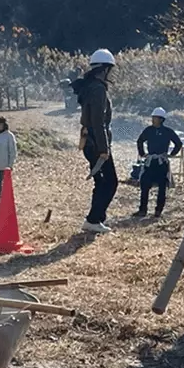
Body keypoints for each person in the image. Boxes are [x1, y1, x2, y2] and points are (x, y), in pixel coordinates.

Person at [71, 49, 117, 233]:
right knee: (111, 182)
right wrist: (104, 149)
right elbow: (98, 122)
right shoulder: (98, 89)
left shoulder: (90, 87)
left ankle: (96, 219)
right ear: (105, 69)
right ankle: (93, 219)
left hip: (89, 141)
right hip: (96, 143)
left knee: (101, 182)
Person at [135, 107, 183, 217]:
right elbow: (140, 141)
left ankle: (158, 211)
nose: (153, 119)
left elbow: (178, 143)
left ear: (161, 119)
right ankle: (142, 210)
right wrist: (142, 153)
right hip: (151, 161)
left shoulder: (168, 131)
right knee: (145, 184)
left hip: (162, 163)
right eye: (153, 117)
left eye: (155, 117)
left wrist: (171, 154)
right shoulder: (148, 130)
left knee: (162, 187)